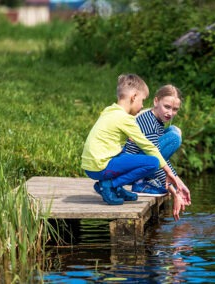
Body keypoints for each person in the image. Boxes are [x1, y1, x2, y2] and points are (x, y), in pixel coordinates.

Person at [81, 74, 185, 221]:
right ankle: (110, 185)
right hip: (100, 167)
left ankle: (114, 186)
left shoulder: (110, 110)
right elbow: (149, 147)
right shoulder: (126, 119)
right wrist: (170, 175)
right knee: (153, 162)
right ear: (134, 97)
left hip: (91, 165)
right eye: (142, 100)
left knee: (128, 153)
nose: (143, 105)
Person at [125, 84, 191, 206]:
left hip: (140, 161)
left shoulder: (156, 119)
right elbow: (156, 158)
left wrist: (180, 185)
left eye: (175, 109)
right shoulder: (149, 122)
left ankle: (147, 178)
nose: (170, 113)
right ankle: (141, 182)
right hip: (131, 168)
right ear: (156, 101)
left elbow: (160, 158)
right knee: (174, 137)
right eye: (167, 107)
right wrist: (175, 191)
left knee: (174, 130)